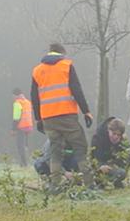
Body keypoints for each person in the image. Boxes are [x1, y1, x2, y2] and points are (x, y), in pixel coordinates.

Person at [29, 43, 91, 175]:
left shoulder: (37, 70)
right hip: (67, 114)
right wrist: (86, 111)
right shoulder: (66, 66)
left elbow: (34, 98)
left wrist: (38, 119)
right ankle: (88, 182)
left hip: (48, 118)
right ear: (62, 53)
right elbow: (77, 90)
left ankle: (55, 184)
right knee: (80, 147)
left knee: (55, 151)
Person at [89, 116, 130, 186]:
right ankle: (100, 180)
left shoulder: (122, 140)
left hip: (113, 163)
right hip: (100, 163)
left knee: (129, 157)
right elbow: (93, 158)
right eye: (114, 134)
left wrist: (118, 144)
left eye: (118, 135)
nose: (115, 137)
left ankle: (117, 180)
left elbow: (127, 154)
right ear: (108, 130)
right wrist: (100, 167)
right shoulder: (97, 137)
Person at [10, 89, 34, 166]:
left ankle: (24, 164)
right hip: (28, 126)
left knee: (20, 146)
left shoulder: (17, 103)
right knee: (25, 145)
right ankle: (25, 162)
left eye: (12, 96)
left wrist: (13, 129)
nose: (12, 98)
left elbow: (16, 117)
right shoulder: (27, 102)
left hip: (21, 127)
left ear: (15, 95)